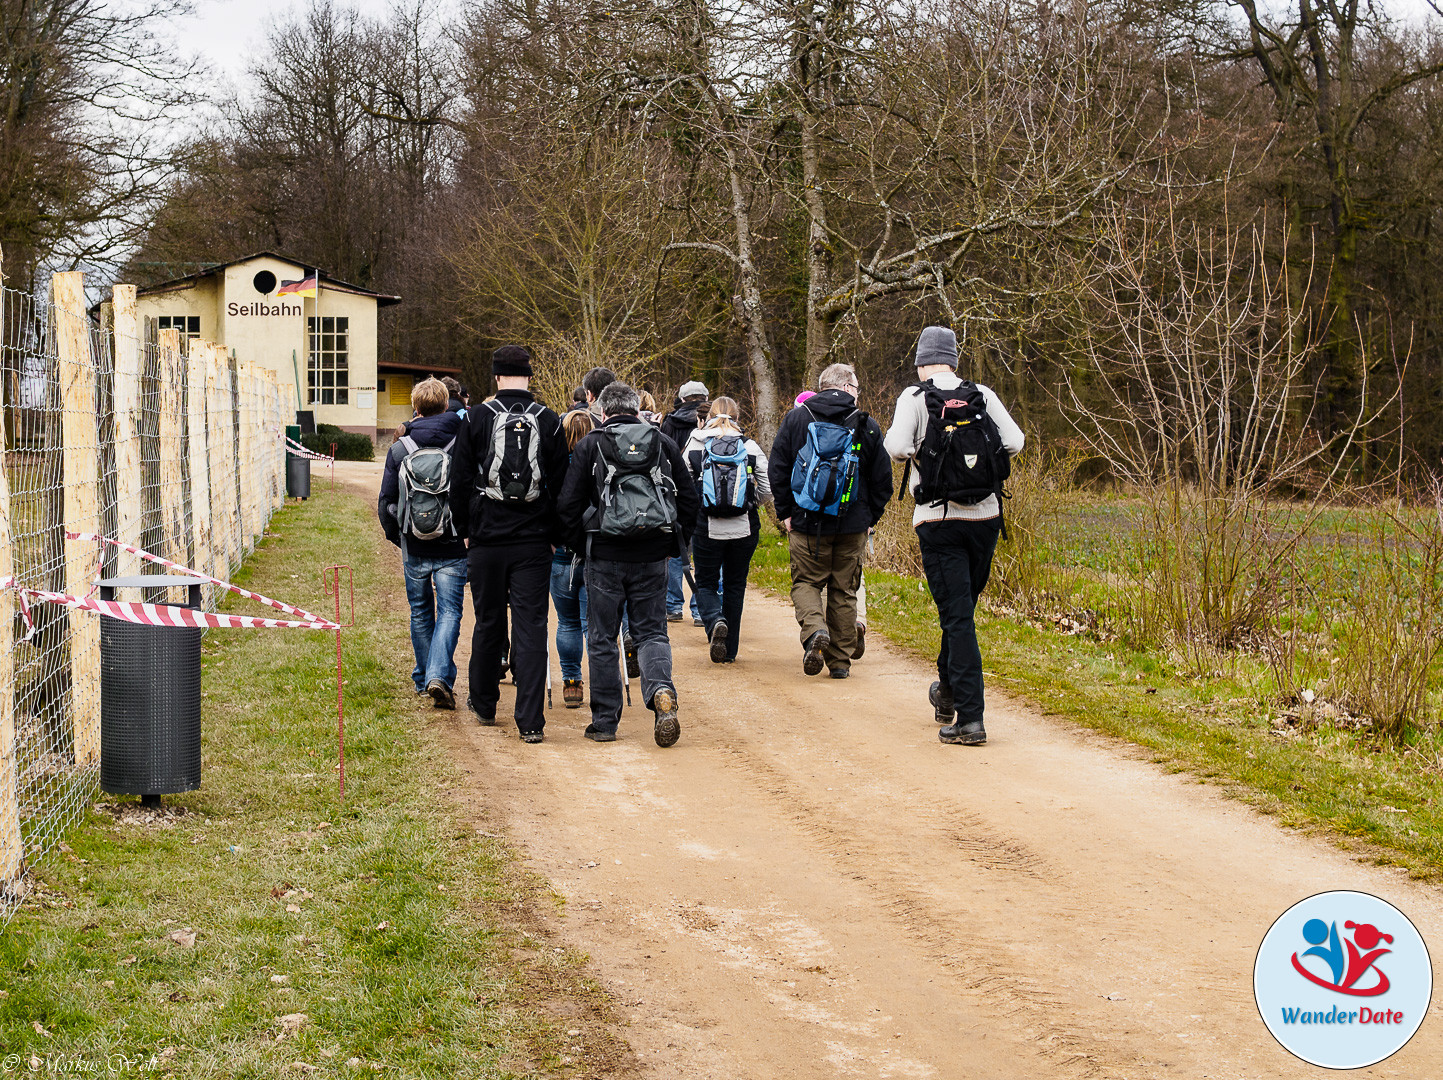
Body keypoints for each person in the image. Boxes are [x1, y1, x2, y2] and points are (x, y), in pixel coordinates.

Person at [883, 325, 1024, 745]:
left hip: (938, 521)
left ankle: (970, 719)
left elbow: (894, 446)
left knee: (957, 618)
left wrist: (925, 453)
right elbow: (1014, 441)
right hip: (986, 518)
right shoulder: (982, 393)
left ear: (922, 362)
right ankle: (947, 690)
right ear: (954, 359)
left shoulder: (914, 398)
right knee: (962, 612)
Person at [556, 381, 701, 746]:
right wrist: (674, 542)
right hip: (652, 552)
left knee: (603, 638)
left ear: (602, 412)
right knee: (652, 631)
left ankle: (605, 723)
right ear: (637, 410)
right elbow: (689, 497)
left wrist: (581, 544)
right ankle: (661, 691)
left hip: (604, 554)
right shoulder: (661, 442)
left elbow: (567, 506)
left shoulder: (592, 443)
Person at [449, 345, 570, 743]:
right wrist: (554, 536)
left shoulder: (478, 417)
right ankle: (531, 722)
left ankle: (484, 704)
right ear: (529, 377)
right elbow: (561, 484)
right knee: (532, 626)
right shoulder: (549, 420)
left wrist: (466, 529)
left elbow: (461, 478)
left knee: (488, 621)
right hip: (533, 542)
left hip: (485, 539)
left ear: (497, 377)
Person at [768, 362, 891, 679]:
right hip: (852, 526)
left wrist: (785, 513)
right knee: (844, 591)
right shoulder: (866, 424)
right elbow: (883, 481)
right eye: (857, 388)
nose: (858, 393)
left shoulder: (797, 418)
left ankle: (815, 629)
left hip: (807, 523)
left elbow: (777, 468)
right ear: (847, 387)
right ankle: (839, 662)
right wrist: (868, 517)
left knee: (807, 582)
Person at [377, 377, 467, 708]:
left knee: (419, 611)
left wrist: (400, 538)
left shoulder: (400, 448)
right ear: (446, 405)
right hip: (453, 545)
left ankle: (424, 678)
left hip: (413, 544)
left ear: (415, 408)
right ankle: (437, 675)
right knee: (450, 612)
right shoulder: (462, 442)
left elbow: (385, 502)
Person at [683, 396, 771, 663]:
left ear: (708, 414)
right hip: (743, 529)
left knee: (706, 582)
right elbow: (768, 489)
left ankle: (714, 621)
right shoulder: (749, 446)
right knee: (735, 585)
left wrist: (695, 509)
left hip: (707, 527)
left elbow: (683, 488)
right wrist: (749, 504)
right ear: (737, 415)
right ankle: (729, 650)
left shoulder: (696, 444)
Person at [551, 409, 596, 707]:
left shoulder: (554, 467)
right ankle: (605, 681)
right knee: (592, 623)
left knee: (566, 622)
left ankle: (571, 682)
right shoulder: (600, 464)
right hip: (595, 553)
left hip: (561, 555)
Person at [662, 380, 709, 623]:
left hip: (677, 492)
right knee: (701, 550)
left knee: (677, 548)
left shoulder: (670, 422)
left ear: (682, 398)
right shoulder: (713, 419)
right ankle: (700, 609)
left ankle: (673, 606)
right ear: (705, 396)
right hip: (707, 492)